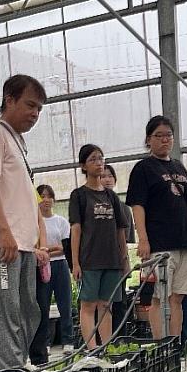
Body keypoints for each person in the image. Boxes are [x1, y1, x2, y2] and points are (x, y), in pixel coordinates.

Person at [0, 74, 49, 372]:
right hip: (1, 239)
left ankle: (19, 361)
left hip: (24, 241)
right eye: (30, 105)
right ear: (9, 100)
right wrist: (4, 230)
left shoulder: (19, 142)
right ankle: (10, 368)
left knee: (29, 307)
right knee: (6, 307)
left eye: (39, 109)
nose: (34, 114)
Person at [126, 115, 187, 340]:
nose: (165, 140)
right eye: (159, 136)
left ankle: (175, 344)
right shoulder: (143, 169)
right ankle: (161, 343)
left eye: (168, 135)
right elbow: (138, 205)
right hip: (159, 243)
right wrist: (143, 238)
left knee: (178, 296)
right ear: (148, 140)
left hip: (183, 241)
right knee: (157, 297)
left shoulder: (179, 167)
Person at [69, 144, 128, 349]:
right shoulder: (79, 195)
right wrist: (75, 262)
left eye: (101, 158)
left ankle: (107, 346)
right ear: (83, 165)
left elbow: (121, 230)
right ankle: (92, 348)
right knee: (88, 305)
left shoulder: (111, 196)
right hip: (89, 260)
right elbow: (76, 230)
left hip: (111, 260)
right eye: (93, 159)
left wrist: (124, 259)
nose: (99, 163)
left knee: (106, 305)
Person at [29, 184, 74, 364]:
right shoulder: (34, 222)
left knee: (65, 304)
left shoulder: (61, 221)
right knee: (43, 306)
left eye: (49, 196)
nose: (46, 200)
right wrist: (48, 251)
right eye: (42, 196)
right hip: (41, 267)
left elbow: (65, 248)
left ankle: (68, 340)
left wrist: (47, 252)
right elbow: (35, 248)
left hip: (60, 266)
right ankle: (45, 342)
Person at [101, 163, 135, 337]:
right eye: (103, 176)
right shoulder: (92, 205)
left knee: (119, 301)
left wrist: (125, 262)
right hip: (98, 262)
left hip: (118, 261)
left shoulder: (124, 208)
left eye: (110, 176)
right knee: (101, 304)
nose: (106, 179)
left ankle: (120, 338)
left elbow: (126, 241)